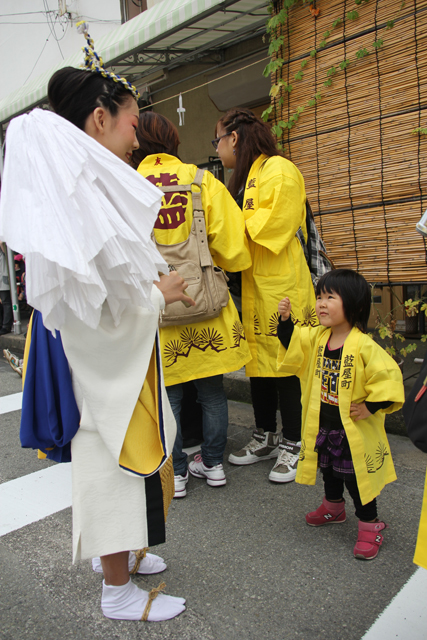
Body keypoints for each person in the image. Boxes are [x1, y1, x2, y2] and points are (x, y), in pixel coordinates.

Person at [0, 24, 191, 622]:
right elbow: (101, 316)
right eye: (134, 124)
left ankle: (124, 556)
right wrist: (159, 296)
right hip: (100, 361)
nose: (138, 138)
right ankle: (116, 591)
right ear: (101, 119)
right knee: (108, 459)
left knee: (127, 452)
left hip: (102, 356)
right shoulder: (82, 198)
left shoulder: (81, 190)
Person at [133, 112, 252, 497]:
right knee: (212, 392)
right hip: (204, 304)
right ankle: (214, 464)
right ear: (172, 140)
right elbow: (233, 247)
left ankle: (179, 473)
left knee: (170, 397)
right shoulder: (202, 181)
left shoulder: (128, 186)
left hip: (156, 306)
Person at [215, 108, 316, 482]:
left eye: (218, 139)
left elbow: (276, 222)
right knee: (258, 363)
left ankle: (295, 442)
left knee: (285, 362)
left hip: (281, 283)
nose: (218, 148)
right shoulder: (244, 179)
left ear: (235, 138)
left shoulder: (279, 169)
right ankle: (266, 435)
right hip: (254, 285)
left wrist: (225, 235)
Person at [277, 269, 404, 560]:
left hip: (352, 430)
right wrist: (285, 321)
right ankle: (333, 507)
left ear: (355, 305)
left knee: (358, 479)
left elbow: (388, 379)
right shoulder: (318, 338)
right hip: (324, 424)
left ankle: (370, 526)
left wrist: (369, 407)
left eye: (330, 297)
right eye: (319, 296)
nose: (321, 303)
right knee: (329, 471)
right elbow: (293, 341)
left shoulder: (364, 346)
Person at [0, 242, 13, 335]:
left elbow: (8, 254)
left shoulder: (4, 245)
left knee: (6, 301)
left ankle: (6, 326)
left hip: (3, 279)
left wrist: (1, 244)